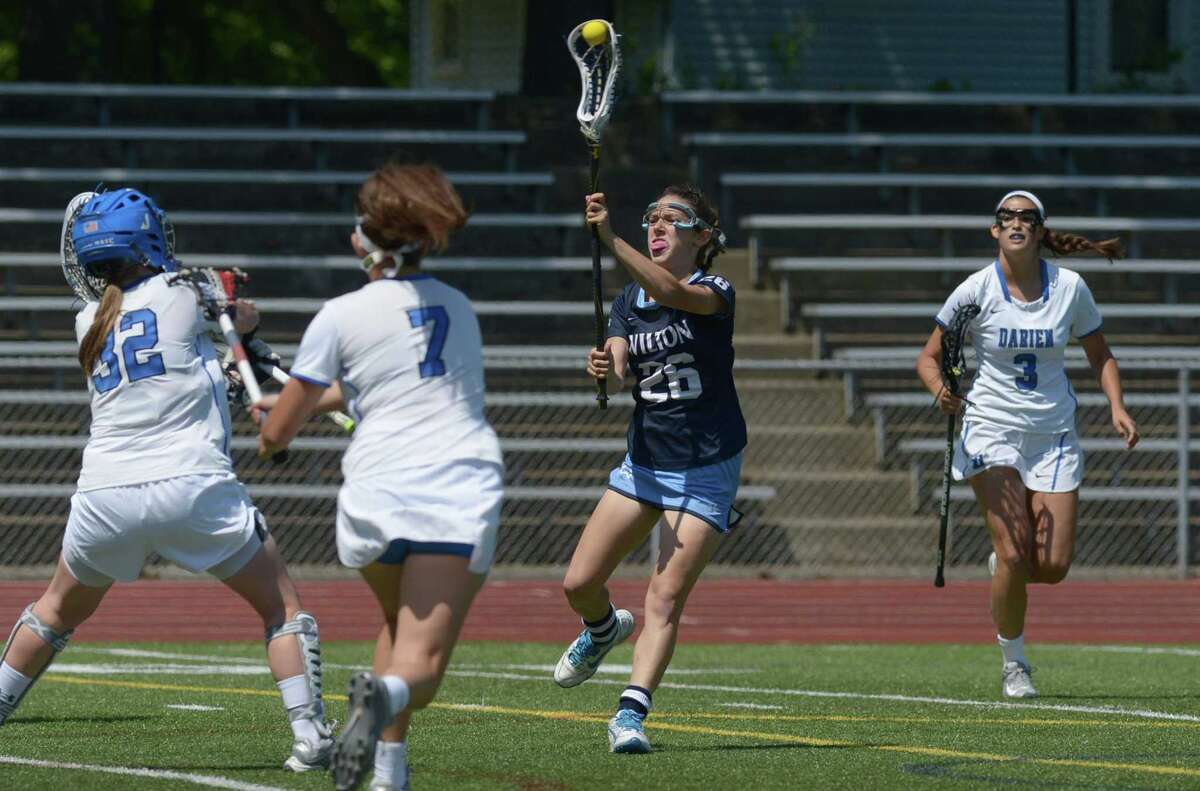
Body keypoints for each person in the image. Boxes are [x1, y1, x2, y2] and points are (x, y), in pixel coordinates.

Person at [0, 188, 333, 772]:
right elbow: (240, 312)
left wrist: (226, 369)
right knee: (283, 610)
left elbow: (168, 370)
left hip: (104, 494)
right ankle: (310, 737)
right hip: (190, 484)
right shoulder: (185, 290)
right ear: (148, 239)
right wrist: (243, 337)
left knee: (53, 611)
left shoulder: (87, 319)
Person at [256, 162, 502, 791]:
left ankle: (389, 770)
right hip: (452, 485)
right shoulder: (459, 306)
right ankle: (383, 700)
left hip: (374, 492)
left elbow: (277, 435)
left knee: (397, 625)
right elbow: (412, 378)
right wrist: (302, 406)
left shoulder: (339, 314)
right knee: (423, 667)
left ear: (364, 237)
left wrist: (279, 419)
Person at [916, 190, 1139, 699]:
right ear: (995, 230)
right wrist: (941, 390)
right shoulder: (974, 289)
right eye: (1007, 217)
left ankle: (1005, 571)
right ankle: (1014, 663)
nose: (1016, 223)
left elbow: (1101, 354)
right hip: (991, 428)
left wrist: (1118, 406)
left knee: (1053, 567)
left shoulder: (1070, 287)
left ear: (1040, 231)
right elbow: (928, 357)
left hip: (1053, 433)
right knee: (1016, 554)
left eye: (1027, 218)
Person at [553, 184, 744, 753]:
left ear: (702, 236)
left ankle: (630, 716)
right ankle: (602, 628)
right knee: (578, 583)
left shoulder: (715, 291)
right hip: (646, 462)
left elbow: (671, 291)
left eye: (672, 219)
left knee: (663, 597)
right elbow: (617, 374)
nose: (657, 226)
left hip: (707, 465)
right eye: (651, 218)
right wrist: (602, 369)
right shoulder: (627, 303)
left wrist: (609, 238)